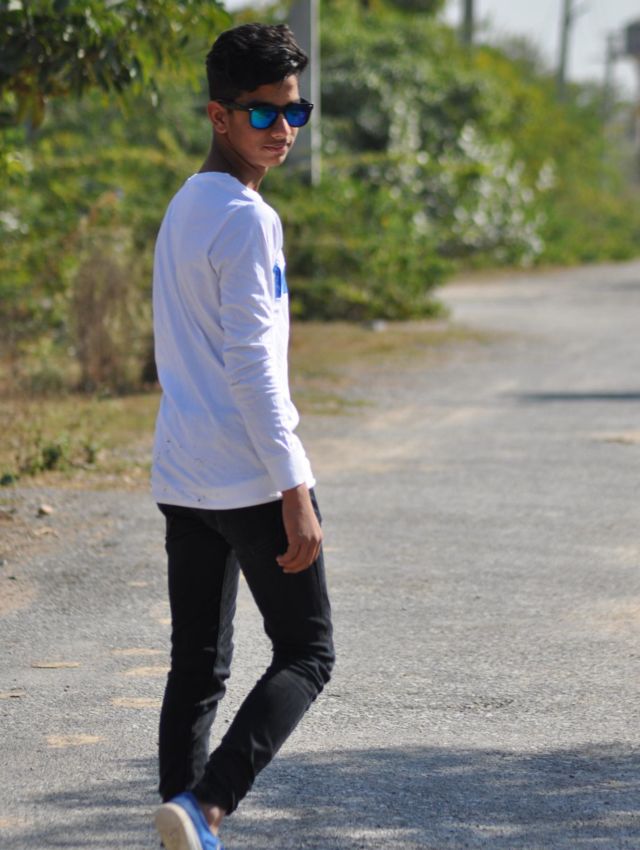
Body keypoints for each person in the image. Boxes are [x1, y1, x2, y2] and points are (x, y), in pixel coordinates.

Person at [150, 23, 335, 850]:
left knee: (197, 664)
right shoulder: (248, 220)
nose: (283, 130)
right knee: (307, 653)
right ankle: (207, 806)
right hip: (251, 475)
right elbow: (254, 368)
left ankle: (179, 821)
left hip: (184, 472)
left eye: (296, 112)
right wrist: (295, 488)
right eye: (263, 114)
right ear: (218, 115)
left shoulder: (185, 205)